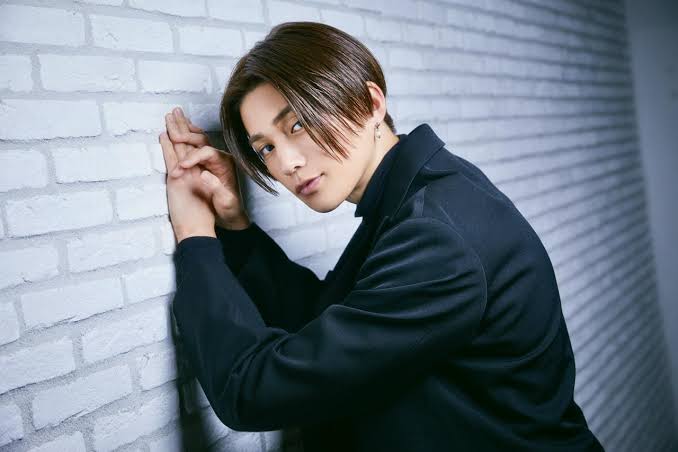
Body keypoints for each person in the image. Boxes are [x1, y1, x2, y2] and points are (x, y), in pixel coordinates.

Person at [160, 21, 604, 451]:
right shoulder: (413, 198)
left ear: (370, 102)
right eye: (266, 148)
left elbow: (255, 392)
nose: (287, 163)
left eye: (297, 125)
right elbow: (326, 324)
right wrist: (235, 226)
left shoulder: (436, 236)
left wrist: (196, 238)